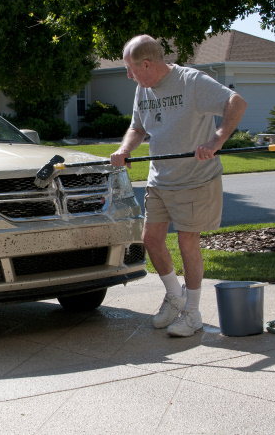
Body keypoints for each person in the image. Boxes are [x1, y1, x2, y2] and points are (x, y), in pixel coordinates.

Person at [111, 34, 247, 337]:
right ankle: (175, 296)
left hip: (195, 178)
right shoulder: (142, 89)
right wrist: (125, 150)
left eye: (130, 68)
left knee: (187, 241)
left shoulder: (192, 81)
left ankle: (193, 313)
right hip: (160, 178)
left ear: (146, 63)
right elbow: (137, 127)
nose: (128, 75)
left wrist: (215, 140)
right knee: (151, 239)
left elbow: (235, 102)